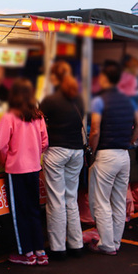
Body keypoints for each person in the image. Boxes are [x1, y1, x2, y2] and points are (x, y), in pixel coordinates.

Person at [87, 60, 138, 255]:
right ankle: (116, 242)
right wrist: (129, 141)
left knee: (102, 201)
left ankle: (107, 245)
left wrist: (91, 150)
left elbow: (94, 130)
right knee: (119, 201)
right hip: (124, 155)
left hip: (106, 154)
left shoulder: (99, 100)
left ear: (103, 78)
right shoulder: (130, 100)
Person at [0, 78, 49, 265]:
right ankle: (40, 251)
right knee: (34, 210)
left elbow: (2, 146)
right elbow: (45, 143)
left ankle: (26, 253)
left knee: (20, 212)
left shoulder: (9, 116)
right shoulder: (38, 116)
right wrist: (34, 154)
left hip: (15, 170)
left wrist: (7, 160)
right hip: (34, 168)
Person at [40, 61, 85, 259]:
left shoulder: (49, 100)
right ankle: (76, 244)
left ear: (55, 77)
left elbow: (39, 123)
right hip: (77, 151)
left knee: (56, 200)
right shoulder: (79, 99)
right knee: (70, 198)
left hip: (57, 151)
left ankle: (58, 248)